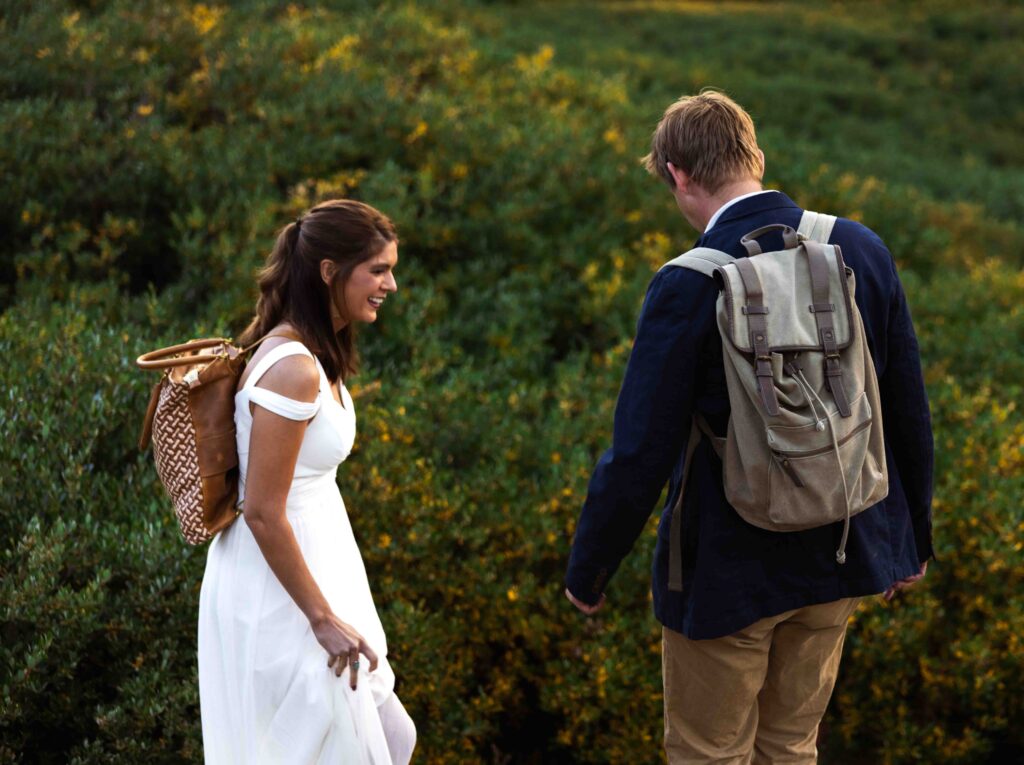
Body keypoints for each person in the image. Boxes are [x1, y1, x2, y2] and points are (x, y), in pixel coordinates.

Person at [564, 91, 933, 763]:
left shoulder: (686, 283)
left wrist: (588, 570)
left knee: (709, 752)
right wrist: (909, 542)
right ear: (754, 155)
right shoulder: (860, 248)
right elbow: (904, 404)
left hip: (725, 569)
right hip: (841, 547)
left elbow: (639, 452)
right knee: (791, 746)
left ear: (678, 173)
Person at [198, 199, 416, 764]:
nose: (390, 284)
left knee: (386, 738)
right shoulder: (293, 367)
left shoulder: (318, 356)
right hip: (279, 592)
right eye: (377, 269)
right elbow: (263, 509)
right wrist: (319, 617)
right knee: (344, 747)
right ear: (328, 272)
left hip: (319, 569)